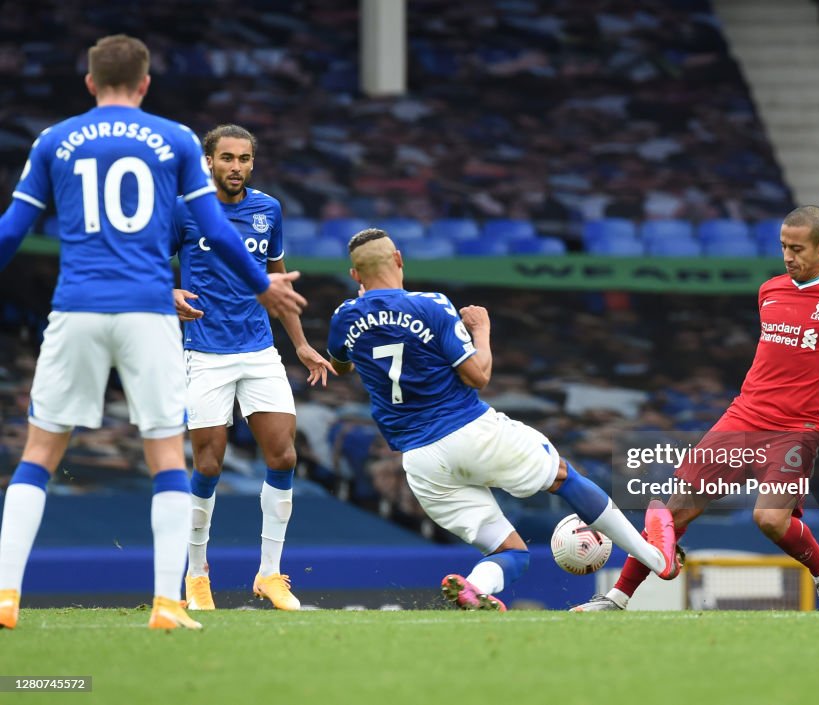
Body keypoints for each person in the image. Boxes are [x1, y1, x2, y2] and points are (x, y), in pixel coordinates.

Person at [0, 35, 307, 631]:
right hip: (147, 312)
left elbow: (13, 230)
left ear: (90, 83)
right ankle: (169, 605)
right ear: (144, 84)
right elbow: (217, 233)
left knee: (38, 454)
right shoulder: (176, 140)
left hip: (77, 307)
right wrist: (263, 284)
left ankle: (5, 595)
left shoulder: (53, 140)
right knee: (169, 457)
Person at [573, 205, 819, 612]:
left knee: (770, 520)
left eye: (797, 248)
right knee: (673, 513)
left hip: (797, 428)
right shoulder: (770, 290)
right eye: (783, 247)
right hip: (743, 417)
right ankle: (617, 599)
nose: (788, 256)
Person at [326, 228, 679, 611]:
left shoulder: (344, 317)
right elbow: (478, 375)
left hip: (420, 461)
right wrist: (481, 329)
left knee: (510, 551)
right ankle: (658, 560)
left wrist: (367, 317)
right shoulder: (431, 305)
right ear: (398, 258)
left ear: (355, 275)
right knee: (562, 476)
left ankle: (475, 587)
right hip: (469, 430)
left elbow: (341, 365)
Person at [169, 124, 334, 612]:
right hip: (205, 352)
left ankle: (269, 574)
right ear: (209, 161)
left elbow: (278, 285)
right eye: (227, 158)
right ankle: (197, 577)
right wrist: (167, 291)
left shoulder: (269, 210)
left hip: (260, 351)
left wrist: (300, 344)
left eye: (244, 158)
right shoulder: (185, 210)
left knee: (283, 458)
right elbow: (150, 265)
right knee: (208, 465)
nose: (236, 166)